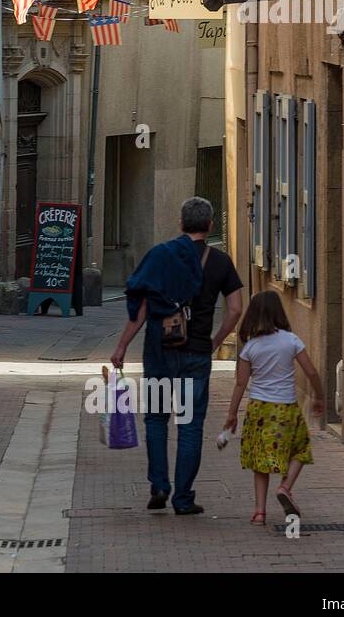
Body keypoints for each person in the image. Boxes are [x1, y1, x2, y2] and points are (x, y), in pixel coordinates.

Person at [112, 196, 243, 516]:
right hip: (196, 354)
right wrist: (214, 342)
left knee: (156, 419)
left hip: (158, 352)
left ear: (181, 224)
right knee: (189, 424)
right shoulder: (221, 262)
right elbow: (236, 309)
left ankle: (159, 485)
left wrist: (122, 346)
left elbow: (140, 307)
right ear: (211, 225)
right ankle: (183, 498)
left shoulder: (160, 255)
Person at [224, 290, 326, 526]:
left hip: (259, 409)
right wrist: (319, 396)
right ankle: (285, 487)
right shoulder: (291, 340)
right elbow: (310, 371)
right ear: (279, 312)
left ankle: (260, 512)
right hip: (286, 408)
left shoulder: (250, 347)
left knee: (261, 461)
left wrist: (231, 414)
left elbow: (241, 383)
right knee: (300, 449)